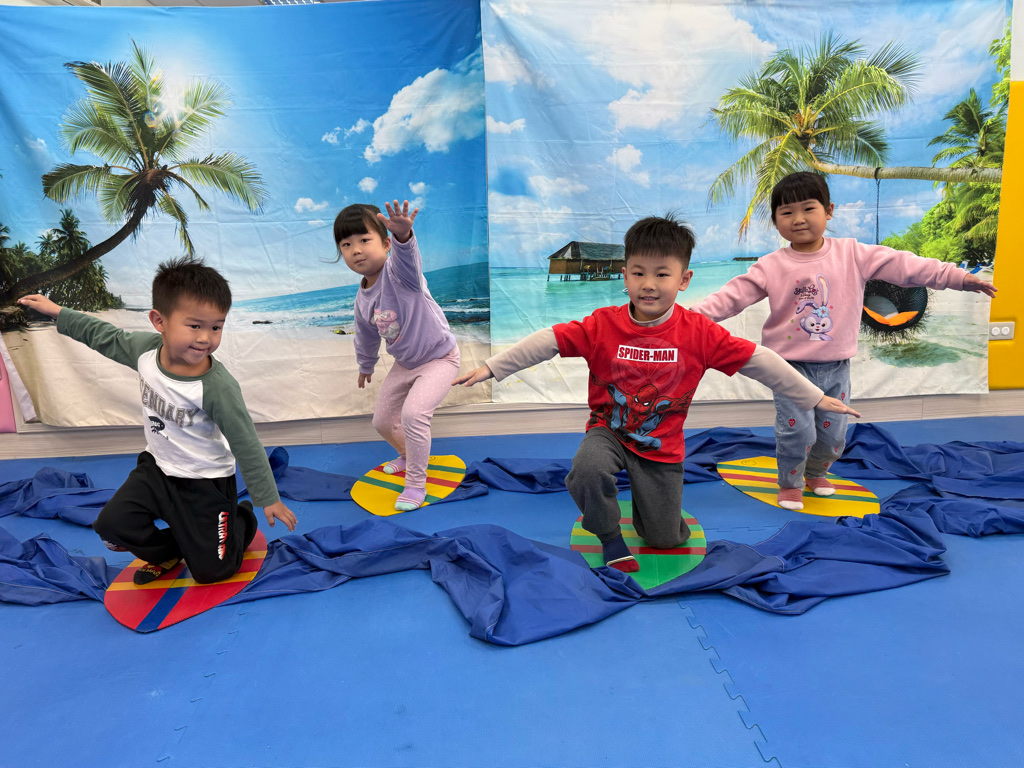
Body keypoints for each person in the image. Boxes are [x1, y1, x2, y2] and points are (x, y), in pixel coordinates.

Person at [454, 214, 859, 573]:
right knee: (586, 470)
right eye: (638, 273)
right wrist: (494, 367)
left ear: (684, 280)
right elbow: (549, 340)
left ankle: (652, 514)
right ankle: (609, 535)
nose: (648, 285)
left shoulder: (699, 333)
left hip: (661, 446)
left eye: (662, 274)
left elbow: (759, 360)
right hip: (609, 431)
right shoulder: (602, 325)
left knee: (666, 540)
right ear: (625, 275)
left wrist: (814, 397)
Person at [689, 171, 997, 510]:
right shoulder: (770, 265)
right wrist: (686, 320)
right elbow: (730, 298)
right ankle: (790, 483)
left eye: (808, 208)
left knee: (834, 434)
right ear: (776, 220)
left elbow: (907, 266)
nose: (798, 219)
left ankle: (817, 472)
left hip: (836, 367)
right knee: (798, 431)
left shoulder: (853, 254)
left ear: (829, 210)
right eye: (787, 212)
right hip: (788, 369)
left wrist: (958, 278)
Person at [18, 258, 297, 585]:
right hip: (157, 470)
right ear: (159, 321)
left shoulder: (218, 387)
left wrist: (267, 498)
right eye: (195, 326)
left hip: (205, 483)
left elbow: (245, 442)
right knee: (111, 525)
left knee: (213, 572)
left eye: (216, 327)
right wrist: (57, 311)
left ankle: (241, 518)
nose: (206, 338)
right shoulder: (144, 353)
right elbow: (102, 335)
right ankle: (169, 551)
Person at [335, 199, 459, 511]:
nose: (356, 250)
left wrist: (404, 236)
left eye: (365, 240)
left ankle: (416, 483)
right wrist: (366, 365)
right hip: (405, 364)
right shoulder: (362, 299)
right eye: (346, 244)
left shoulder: (400, 274)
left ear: (386, 244)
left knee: (413, 415)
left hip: (440, 359)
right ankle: (407, 455)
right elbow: (365, 335)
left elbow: (408, 258)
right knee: (381, 421)